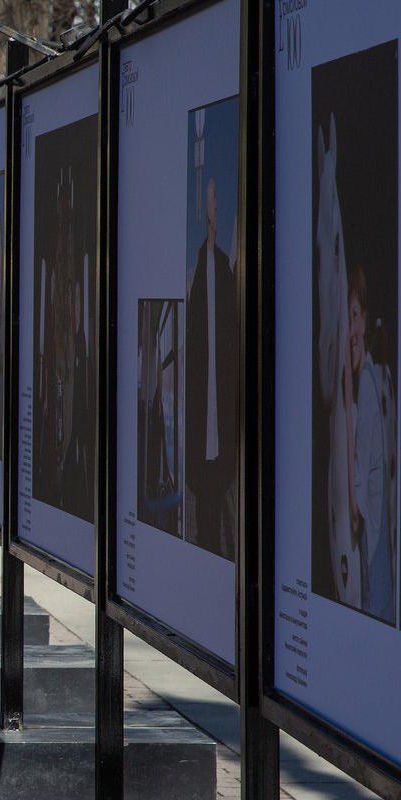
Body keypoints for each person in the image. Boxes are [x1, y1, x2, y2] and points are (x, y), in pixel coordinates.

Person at [184, 178, 239, 559]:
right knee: (206, 507)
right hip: (203, 412)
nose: (213, 209)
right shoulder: (201, 268)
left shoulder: (222, 267)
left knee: (216, 500)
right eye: (209, 201)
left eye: (216, 201)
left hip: (220, 412)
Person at [343, 266, 395, 623]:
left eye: (355, 316)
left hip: (371, 536)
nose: (352, 331)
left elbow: (358, 498)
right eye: (346, 320)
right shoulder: (369, 379)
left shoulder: (366, 385)